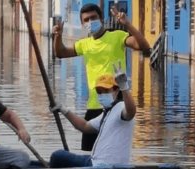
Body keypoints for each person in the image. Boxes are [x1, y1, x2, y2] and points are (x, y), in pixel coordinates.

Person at [52, 3, 149, 151]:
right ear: (82, 23)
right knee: (88, 152)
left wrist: (128, 24)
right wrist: (58, 36)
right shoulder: (84, 44)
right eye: (86, 20)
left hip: (117, 105)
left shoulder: (117, 36)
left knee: (114, 149)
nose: (90, 22)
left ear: (101, 18)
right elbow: (61, 53)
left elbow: (143, 46)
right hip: (94, 105)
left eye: (93, 18)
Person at [49, 63, 136, 167]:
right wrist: (63, 110)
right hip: (95, 162)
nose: (102, 94)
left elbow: (131, 112)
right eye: (99, 92)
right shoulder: (107, 113)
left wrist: (124, 87)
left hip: (103, 165)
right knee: (58, 159)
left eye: (106, 91)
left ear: (116, 90)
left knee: (57, 156)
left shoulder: (121, 107)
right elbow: (84, 126)